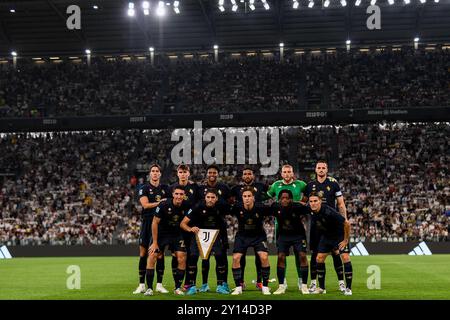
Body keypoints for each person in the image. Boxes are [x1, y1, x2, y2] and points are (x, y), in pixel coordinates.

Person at [303, 160, 353, 294]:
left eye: (323, 167)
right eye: (318, 167)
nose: (321, 170)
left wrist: (345, 219)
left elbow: (341, 204)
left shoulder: (333, 183)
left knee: (337, 254)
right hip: (317, 226)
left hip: (333, 223)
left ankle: (342, 284)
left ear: (327, 169)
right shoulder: (309, 186)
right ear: (315, 169)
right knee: (316, 255)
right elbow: (303, 204)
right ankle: (315, 284)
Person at [180, 188, 230, 295]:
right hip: (198, 235)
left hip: (215, 234)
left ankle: (220, 286)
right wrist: (190, 229)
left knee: (220, 256)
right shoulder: (197, 206)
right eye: (208, 197)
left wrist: (224, 240)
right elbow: (183, 223)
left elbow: (223, 224)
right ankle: (192, 286)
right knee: (193, 256)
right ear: (205, 198)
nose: (210, 199)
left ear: (216, 199)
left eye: (213, 197)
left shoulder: (221, 207)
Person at [266, 164, 308, 290]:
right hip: (281, 226)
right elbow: (267, 196)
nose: (287, 174)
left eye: (289, 171)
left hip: (297, 224)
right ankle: (282, 282)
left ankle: (301, 281)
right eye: (284, 172)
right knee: (281, 255)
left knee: (299, 254)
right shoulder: (276, 185)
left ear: (292, 173)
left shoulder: (300, 184)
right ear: (281, 173)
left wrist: (303, 202)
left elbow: (309, 193)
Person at [145, 186, 191, 296]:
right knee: (152, 256)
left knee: (182, 257)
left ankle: (177, 288)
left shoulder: (186, 205)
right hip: (161, 234)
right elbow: (155, 222)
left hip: (176, 234)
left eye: (181, 194)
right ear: (173, 194)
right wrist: (155, 242)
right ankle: (150, 288)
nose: (179, 196)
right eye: (177, 194)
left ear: (184, 196)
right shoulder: (164, 205)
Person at [133, 164, 170, 295]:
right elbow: (145, 205)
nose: (155, 173)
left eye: (157, 171)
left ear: (160, 174)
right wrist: (160, 203)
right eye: (153, 171)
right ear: (150, 174)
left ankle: (159, 284)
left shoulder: (166, 188)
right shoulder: (144, 188)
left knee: (160, 254)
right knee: (143, 254)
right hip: (147, 223)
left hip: (161, 224)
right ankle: (141, 284)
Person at [230, 186, 273, 295]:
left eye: (249, 196)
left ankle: (265, 286)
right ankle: (238, 287)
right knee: (236, 258)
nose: (247, 198)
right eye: (245, 196)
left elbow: (275, 211)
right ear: (242, 197)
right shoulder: (237, 207)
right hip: (242, 236)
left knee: (264, 256)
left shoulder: (261, 207)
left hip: (258, 236)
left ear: (253, 198)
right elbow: (223, 210)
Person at [307, 192, 352, 295]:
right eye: (311, 201)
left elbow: (347, 223)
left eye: (315, 201)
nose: (313, 203)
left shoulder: (328, 211)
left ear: (320, 202)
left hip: (339, 236)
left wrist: (345, 240)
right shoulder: (310, 209)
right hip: (326, 236)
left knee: (345, 257)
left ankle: (348, 288)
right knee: (319, 258)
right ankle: (322, 288)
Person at [198, 164, 231, 293]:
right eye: (210, 172)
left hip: (219, 227)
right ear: (207, 174)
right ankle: (204, 284)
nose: (212, 174)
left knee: (221, 256)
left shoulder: (224, 188)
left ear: (218, 174)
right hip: (203, 228)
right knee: (204, 258)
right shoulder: (200, 189)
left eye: (214, 172)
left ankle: (222, 284)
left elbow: (229, 204)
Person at [272, 190, 310, 295]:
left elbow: (311, 210)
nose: (284, 200)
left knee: (302, 256)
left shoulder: (297, 207)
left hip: (298, 235)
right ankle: (281, 286)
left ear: (291, 199)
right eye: (282, 198)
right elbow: (262, 211)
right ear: (279, 199)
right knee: (280, 257)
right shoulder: (275, 207)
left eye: (287, 198)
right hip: (283, 236)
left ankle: (304, 285)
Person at [170, 164, 200, 288]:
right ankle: (176, 282)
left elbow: (199, 205)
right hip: (176, 228)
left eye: (185, 172)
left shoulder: (194, 187)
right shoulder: (171, 187)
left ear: (188, 173)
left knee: (193, 255)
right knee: (176, 255)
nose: (183, 174)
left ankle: (189, 283)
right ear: (178, 173)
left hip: (191, 227)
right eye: (181, 172)